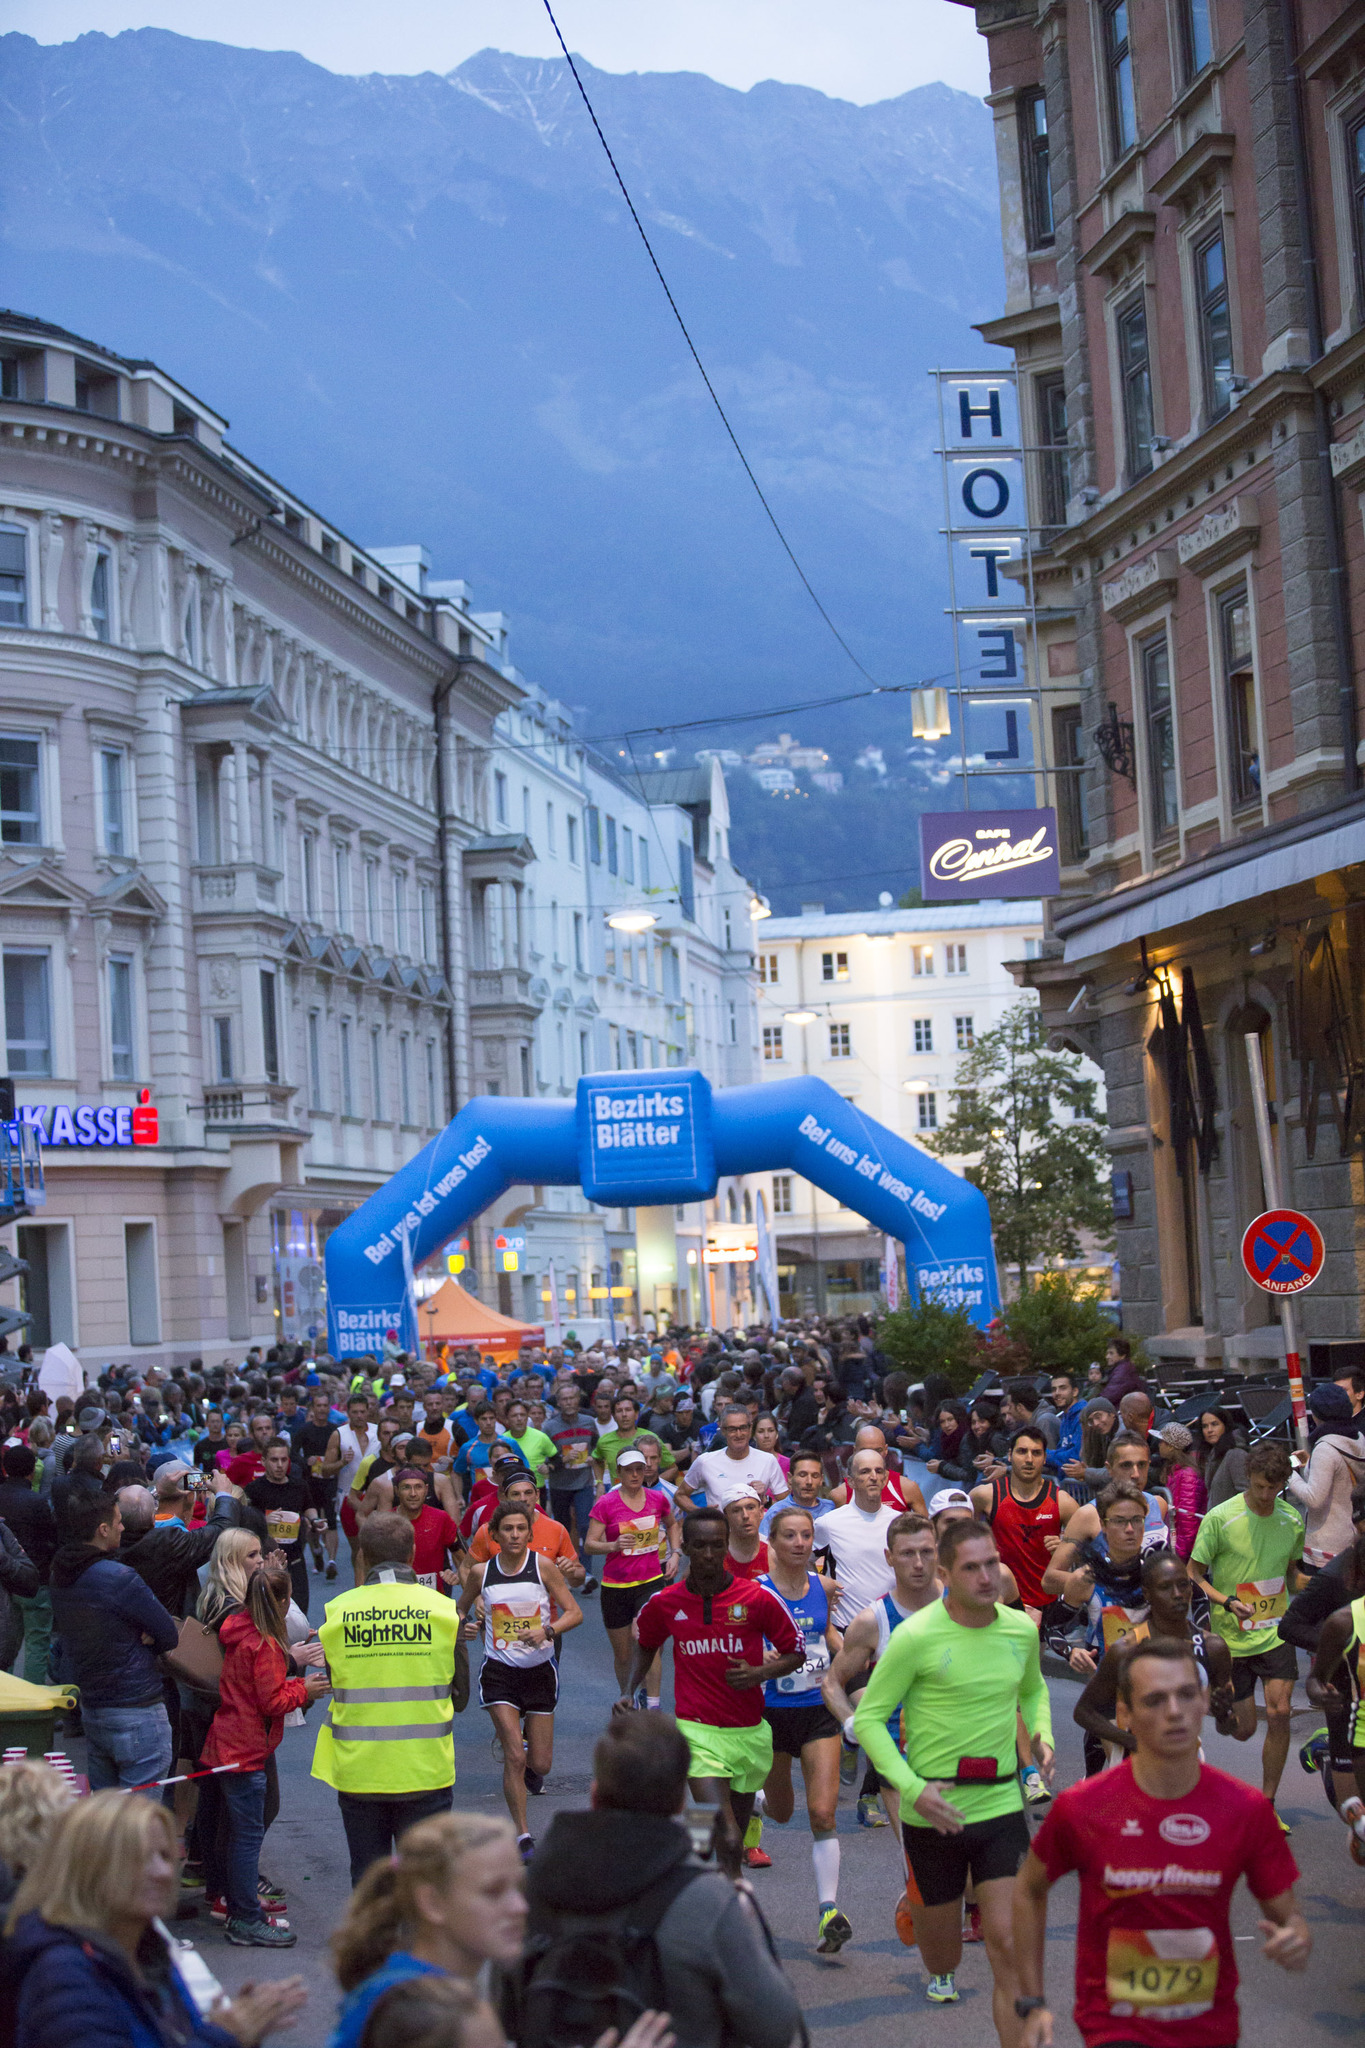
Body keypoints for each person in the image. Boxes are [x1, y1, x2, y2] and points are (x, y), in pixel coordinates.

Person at [1013, 1636, 1309, 2048]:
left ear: (1204, 1701)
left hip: (1209, 2029)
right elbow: (1028, 1890)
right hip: (1115, 2029)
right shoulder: (1084, 1807)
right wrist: (1032, 2001)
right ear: (1127, 1714)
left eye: (1186, 1695)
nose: (1174, 1712)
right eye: (1154, 1700)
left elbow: (1288, 1916)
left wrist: (1294, 1938)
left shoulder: (1245, 1809)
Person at [854, 1517, 1053, 2027]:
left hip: (1000, 1804)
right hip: (933, 1813)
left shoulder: (1019, 1630)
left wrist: (1041, 1731)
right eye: (972, 1567)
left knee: (1008, 1947)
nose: (987, 1577)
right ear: (946, 1572)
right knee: (942, 1957)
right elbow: (871, 1721)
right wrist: (913, 1789)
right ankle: (928, 1927)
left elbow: (1031, 1689)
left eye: (992, 1563)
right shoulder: (915, 1637)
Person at [510, 1713, 802, 2048]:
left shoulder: (527, 1889)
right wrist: (747, 1928)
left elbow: (504, 2010)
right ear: (679, 1802)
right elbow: (777, 2027)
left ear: (594, 1795)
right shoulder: (706, 1901)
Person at [1, 1789, 307, 2048]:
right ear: (89, 1868)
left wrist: (224, 2034)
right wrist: (227, 2035)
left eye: (165, 1856)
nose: (163, 1872)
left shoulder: (144, 1946)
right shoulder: (64, 1978)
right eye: (139, 1858)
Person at [622, 1507, 803, 1866]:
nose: (709, 1555)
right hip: (696, 1731)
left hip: (748, 1732)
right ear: (685, 1547)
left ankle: (699, 1842)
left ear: (727, 1546)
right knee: (732, 1838)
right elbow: (646, 1643)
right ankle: (735, 1905)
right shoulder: (666, 1602)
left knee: (724, 1834)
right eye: (700, 1546)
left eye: (717, 1546)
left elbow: (795, 1652)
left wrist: (758, 1674)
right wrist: (629, 1691)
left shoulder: (756, 1598)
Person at [313, 1512, 464, 1886]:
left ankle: (371, 1945)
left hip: (360, 1771)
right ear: (413, 1553)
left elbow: (336, 1680)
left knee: (369, 1881)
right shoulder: (444, 1612)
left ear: (361, 1555)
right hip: (425, 1768)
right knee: (426, 1885)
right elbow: (459, 1696)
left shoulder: (338, 1613)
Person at [200, 1562, 330, 1946]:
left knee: (238, 1833)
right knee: (247, 1837)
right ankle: (245, 1917)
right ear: (283, 1601)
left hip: (229, 1743)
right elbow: (272, 1700)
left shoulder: (239, 1632)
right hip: (245, 1750)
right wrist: (306, 1690)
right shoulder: (266, 1645)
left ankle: (238, 1905)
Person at [327, 1812, 527, 2048]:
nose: (520, 1907)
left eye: (519, 1888)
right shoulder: (464, 2022)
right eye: (493, 1891)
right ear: (432, 1903)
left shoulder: (388, 1985)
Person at [457, 1499, 582, 1860]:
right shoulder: (482, 1573)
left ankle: (524, 1749)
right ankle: (523, 1836)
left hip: (540, 1671)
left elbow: (574, 1613)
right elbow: (461, 1605)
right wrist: (465, 1624)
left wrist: (548, 1630)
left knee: (539, 1764)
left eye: (521, 1529)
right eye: (507, 1529)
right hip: (499, 1671)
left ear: (529, 1533)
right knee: (514, 1755)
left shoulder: (542, 1567)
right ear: (494, 1535)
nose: (514, 1535)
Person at [1189, 1440, 1305, 1814]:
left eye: (1274, 1488)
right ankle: (1222, 1712)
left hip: (1275, 1632)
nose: (1266, 1494)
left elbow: (1293, 1573)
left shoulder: (1291, 1520)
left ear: (1283, 1484)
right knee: (1243, 1730)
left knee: (1280, 1711)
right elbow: (1194, 1574)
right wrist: (1224, 1602)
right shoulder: (1221, 1518)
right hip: (1231, 1639)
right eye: (1259, 1486)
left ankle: (1266, 1802)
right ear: (1249, 1479)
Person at [754, 1503, 846, 1938]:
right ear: (772, 1542)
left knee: (822, 1813)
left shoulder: (823, 1586)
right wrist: (760, 1657)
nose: (799, 1543)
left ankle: (829, 1911)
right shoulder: (757, 1591)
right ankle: (756, 1802)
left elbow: (827, 1634)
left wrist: (847, 1655)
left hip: (817, 1712)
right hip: (771, 1715)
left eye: (806, 1535)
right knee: (783, 1812)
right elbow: (739, 1644)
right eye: (789, 1536)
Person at [48, 1490, 177, 1793]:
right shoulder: (119, 1577)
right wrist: (145, 1638)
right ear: (102, 1530)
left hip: (94, 1709)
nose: (122, 1527)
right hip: (136, 1709)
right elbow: (168, 1634)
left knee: (108, 1825)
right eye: (118, 1522)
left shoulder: (60, 1574)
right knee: (136, 1828)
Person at [823, 1510, 942, 1834]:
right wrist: (852, 1722)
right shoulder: (872, 1621)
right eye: (907, 1553)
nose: (918, 1563)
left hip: (958, 1749)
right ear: (889, 1558)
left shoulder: (962, 1604)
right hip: (898, 1756)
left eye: (926, 1552)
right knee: (920, 1860)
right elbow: (832, 1683)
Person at [1072, 1549, 1236, 1762]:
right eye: (1166, 1587)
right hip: (1134, 1771)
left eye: (1183, 1584)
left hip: (1188, 1768)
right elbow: (1084, 1712)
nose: (1177, 1594)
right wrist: (1132, 1742)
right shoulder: (1127, 1650)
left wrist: (1224, 1715)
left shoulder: (1213, 1648)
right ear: (1148, 1594)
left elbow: (1228, 1727)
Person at [585, 1444, 681, 1699]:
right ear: (619, 1473)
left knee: (648, 1642)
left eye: (640, 1469)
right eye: (629, 1470)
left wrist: (676, 1553)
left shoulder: (658, 1499)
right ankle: (627, 1697)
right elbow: (589, 1544)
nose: (636, 1475)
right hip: (616, 1586)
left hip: (650, 1581)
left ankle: (653, 1703)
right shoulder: (607, 1503)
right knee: (624, 1655)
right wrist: (613, 1545)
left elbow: (672, 1525)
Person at [971, 1424, 1079, 1621]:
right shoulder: (986, 1495)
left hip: (1045, 1603)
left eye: (1036, 1453)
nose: (1029, 1459)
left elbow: (1090, 1550)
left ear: (1045, 1458)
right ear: (1010, 1455)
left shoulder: (1062, 1502)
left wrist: (1066, 1546)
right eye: (1022, 1452)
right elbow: (953, 1538)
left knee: (1034, 1652)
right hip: (998, 1600)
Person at [1287, 1381, 1365, 1570]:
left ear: (1317, 1414)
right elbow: (1341, 1479)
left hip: (1326, 1549)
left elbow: (1314, 1498)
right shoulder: (1359, 1438)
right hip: (1354, 1540)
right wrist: (1310, 1464)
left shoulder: (1326, 1447)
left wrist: (1288, 1473)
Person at [246, 1437, 320, 1616]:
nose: (279, 1465)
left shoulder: (299, 1486)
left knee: (300, 1612)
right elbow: (245, 1525)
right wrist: (265, 1521)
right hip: (266, 1562)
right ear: (263, 1461)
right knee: (269, 1614)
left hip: (295, 1559)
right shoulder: (253, 1489)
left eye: (284, 1459)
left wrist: (316, 1520)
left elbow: (308, 1506)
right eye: (274, 1460)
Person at [0, 1444, 55, 1682]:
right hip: (35, 1582)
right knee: (37, 1642)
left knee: (4, 1644)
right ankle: (32, 1704)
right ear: (33, 1471)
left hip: (3, 1582)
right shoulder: (37, 1502)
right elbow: (51, 1540)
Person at [674, 1406, 788, 1511]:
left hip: (756, 1531)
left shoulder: (768, 1460)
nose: (739, 1434)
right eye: (732, 1429)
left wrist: (766, 1500)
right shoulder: (705, 1461)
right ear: (723, 1431)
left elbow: (786, 1504)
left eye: (743, 1428)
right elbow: (680, 1496)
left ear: (750, 1429)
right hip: (719, 1531)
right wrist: (702, 1513)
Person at [543, 1379, 597, 1581]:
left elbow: (597, 1448)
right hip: (560, 1485)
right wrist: (561, 1459)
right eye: (563, 1399)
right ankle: (566, 1566)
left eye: (571, 1398)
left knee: (584, 1525)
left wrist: (593, 1457)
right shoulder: (549, 1427)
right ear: (558, 1403)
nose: (568, 1402)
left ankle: (586, 1570)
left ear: (578, 1400)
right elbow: (545, 1459)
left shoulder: (589, 1422)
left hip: (584, 1482)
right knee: (562, 1528)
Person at [295, 1385, 344, 1579]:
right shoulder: (305, 1430)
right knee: (313, 1522)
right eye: (318, 1405)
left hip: (330, 1481)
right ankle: (317, 1552)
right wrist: (305, 1461)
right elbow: (292, 1452)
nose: (322, 1409)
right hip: (310, 1482)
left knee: (331, 1520)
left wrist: (338, 1463)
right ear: (313, 1408)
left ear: (329, 1407)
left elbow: (343, 1453)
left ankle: (332, 1560)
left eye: (325, 1406)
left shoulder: (335, 1431)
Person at [1156, 1424, 1206, 1558]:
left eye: (1162, 1441)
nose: (1158, 1445)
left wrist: (1179, 1554)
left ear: (1171, 1446)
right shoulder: (1175, 1471)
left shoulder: (1187, 1475)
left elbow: (1188, 1518)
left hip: (1184, 1552)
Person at [760, 1447, 831, 1536]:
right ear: (790, 1478)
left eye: (815, 1476)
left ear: (821, 1479)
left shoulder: (831, 1509)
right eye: (802, 1475)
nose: (809, 1481)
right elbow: (764, 1547)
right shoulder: (776, 1513)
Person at [1043, 1371, 1085, 1480]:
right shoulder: (1065, 1416)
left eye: (1063, 1388)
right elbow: (1062, 1450)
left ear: (1075, 1391)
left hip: (1082, 1490)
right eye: (1054, 1389)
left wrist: (1042, 1454)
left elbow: (1075, 1457)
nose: (1057, 1393)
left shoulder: (1083, 1416)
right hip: (1066, 1484)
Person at [722, 1489, 768, 1581]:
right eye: (736, 1510)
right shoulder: (714, 1552)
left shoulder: (775, 1551)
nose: (745, 1515)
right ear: (726, 1517)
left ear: (761, 1512)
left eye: (750, 1508)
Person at [1101, 1335, 1143, 1404]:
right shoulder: (1121, 1368)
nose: (1107, 1357)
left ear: (1123, 1355)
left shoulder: (1123, 1371)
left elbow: (1110, 1395)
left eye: (1111, 1353)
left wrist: (1093, 1402)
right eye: (1107, 1353)